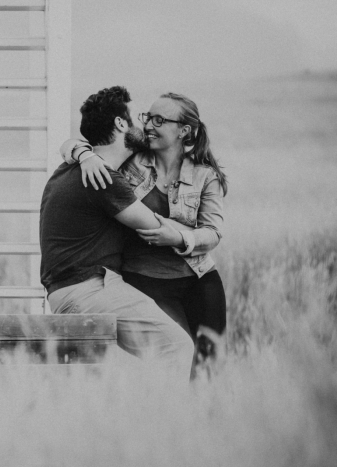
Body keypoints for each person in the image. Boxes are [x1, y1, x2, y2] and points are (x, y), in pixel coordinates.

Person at [40, 86, 195, 381]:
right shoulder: (102, 178)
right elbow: (153, 226)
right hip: (88, 289)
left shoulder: (71, 168)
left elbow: (69, 145)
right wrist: (196, 236)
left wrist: (80, 150)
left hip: (72, 292)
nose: (147, 125)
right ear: (121, 124)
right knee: (175, 347)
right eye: (139, 117)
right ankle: (167, 426)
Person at [60, 92, 227, 362]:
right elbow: (76, 144)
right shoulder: (130, 162)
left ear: (183, 130)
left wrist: (179, 238)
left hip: (199, 281)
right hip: (146, 281)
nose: (148, 125)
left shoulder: (205, 176)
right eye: (148, 117)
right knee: (174, 353)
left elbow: (213, 233)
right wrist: (84, 155)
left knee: (209, 367)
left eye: (159, 120)